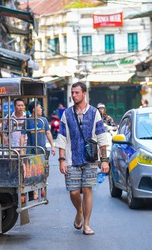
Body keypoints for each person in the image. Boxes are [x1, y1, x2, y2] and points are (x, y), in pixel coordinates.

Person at [56, 82, 109, 236]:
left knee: (87, 190)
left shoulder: (94, 113)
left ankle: (86, 224)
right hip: (71, 159)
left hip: (90, 159)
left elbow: (101, 136)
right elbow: (62, 137)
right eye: (72, 92)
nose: (74, 95)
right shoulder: (67, 113)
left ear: (84, 94)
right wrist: (61, 160)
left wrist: (104, 160)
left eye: (77, 92)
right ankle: (79, 211)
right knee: (73, 192)